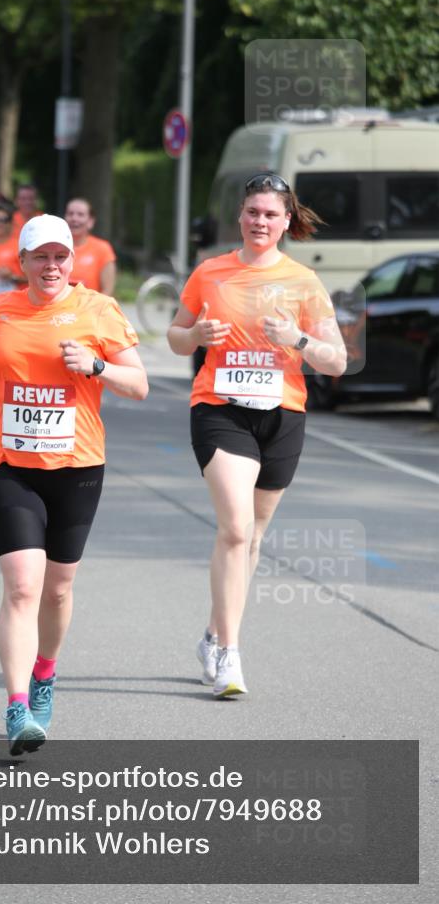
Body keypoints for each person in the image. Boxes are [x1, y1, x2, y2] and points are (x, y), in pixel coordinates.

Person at [0, 214, 147, 755]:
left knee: (58, 588)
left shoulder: (99, 310)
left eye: (60, 256)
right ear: (21, 262)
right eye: (39, 256)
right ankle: (18, 707)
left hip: (77, 467)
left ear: (73, 259)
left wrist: (96, 366)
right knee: (22, 586)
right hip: (7, 464)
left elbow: (138, 385)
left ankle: (45, 673)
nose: (51, 266)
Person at [167, 173, 347, 698]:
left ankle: (210, 633)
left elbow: (337, 359)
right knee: (236, 530)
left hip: (283, 414)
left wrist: (296, 338)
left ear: (287, 221)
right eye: (252, 213)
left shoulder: (303, 281)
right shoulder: (211, 273)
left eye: (270, 214)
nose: (260, 222)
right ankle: (229, 654)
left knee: (253, 538)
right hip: (220, 409)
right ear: (240, 217)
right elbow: (176, 338)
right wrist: (196, 335)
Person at [64, 198, 116, 295]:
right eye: (70, 214)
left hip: (90, 308)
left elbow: (108, 290)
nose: (74, 218)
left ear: (90, 221)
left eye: (80, 214)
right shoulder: (55, 247)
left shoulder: (102, 249)